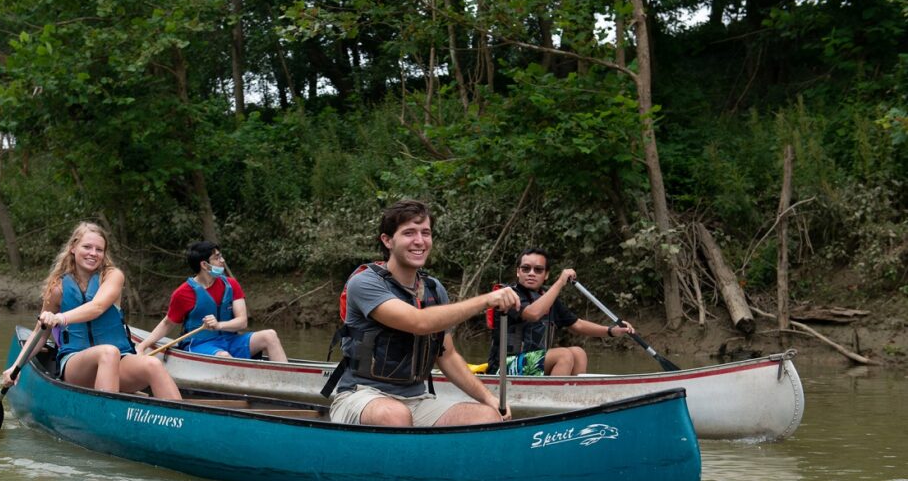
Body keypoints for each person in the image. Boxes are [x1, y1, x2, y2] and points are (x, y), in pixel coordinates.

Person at [325, 199, 520, 427]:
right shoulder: (365, 283)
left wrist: (489, 398)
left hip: (417, 400)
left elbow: (446, 356)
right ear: (387, 240)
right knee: (394, 415)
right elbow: (419, 322)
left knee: (488, 416)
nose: (419, 241)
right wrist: (487, 300)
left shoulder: (434, 290)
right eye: (409, 233)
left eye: (425, 233)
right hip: (361, 395)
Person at [1, 221, 181, 399]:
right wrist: (15, 367)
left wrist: (60, 318)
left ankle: (182, 423)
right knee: (108, 352)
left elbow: (98, 307)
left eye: (99, 250)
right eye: (87, 247)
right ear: (73, 247)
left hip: (120, 359)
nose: (93, 253)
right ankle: (105, 417)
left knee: (152, 364)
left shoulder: (112, 276)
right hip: (76, 364)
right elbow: (40, 334)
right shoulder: (58, 288)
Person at [486, 247, 636, 376]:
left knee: (578, 353)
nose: (531, 273)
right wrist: (560, 282)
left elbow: (577, 325)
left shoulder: (548, 299)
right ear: (518, 272)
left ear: (546, 275)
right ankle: (554, 398)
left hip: (531, 364)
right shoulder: (507, 295)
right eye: (526, 268)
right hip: (503, 368)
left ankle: (573, 400)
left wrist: (611, 331)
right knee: (564, 355)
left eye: (538, 270)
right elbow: (533, 313)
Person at [134, 241, 287, 362]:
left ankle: (286, 381)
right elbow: (167, 323)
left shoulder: (231, 284)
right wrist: (142, 347)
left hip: (231, 340)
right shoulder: (183, 293)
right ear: (204, 264)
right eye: (217, 257)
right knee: (224, 356)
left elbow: (242, 322)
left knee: (270, 335)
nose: (222, 260)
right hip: (200, 345)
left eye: (221, 256)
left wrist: (219, 325)